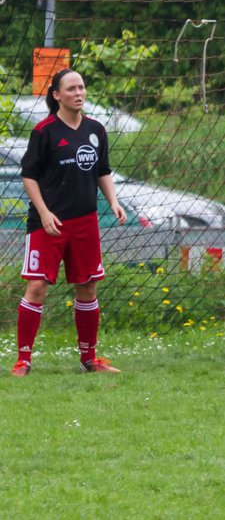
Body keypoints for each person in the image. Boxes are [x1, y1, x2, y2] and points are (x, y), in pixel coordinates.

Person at [13, 68, 126, 376]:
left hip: (85, 222)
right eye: (72, 88)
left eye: (82, 87)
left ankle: (89, 359)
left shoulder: (96, 130)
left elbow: (102, 170)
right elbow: (28, 176)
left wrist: (113, 201)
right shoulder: (44, 131)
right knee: (37, 286)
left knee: (87, 286)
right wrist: (45, 212)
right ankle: (23, 360)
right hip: (47, 223)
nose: (79, 93)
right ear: (57, 95)